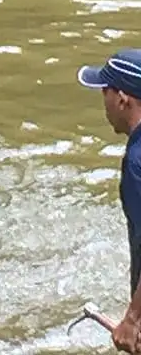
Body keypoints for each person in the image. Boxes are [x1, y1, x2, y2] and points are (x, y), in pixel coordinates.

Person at [78, 48, 141, 353]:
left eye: (105, 90)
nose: (102, 100)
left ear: (122, 98)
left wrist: (131, 319)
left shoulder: (136, 163)